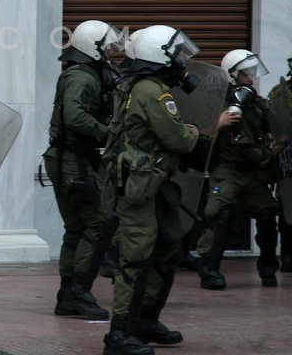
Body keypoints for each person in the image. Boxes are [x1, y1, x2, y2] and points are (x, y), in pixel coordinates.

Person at [102, 25, 223, 355]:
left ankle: (145, 320)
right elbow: (179, 139)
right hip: (140, 186)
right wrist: (192, 131)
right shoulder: (151, 91)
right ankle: (118, 334)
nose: (180, 61)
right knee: (136, 256)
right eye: (175, 54)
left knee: (169, 245)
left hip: (153, 184)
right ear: (158, 56)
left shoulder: (140, 86)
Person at [44, 20, 125, 320]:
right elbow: (75, 116)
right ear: (94, 47)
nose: (110, 52)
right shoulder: (81, 76)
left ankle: (68, 294)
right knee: (100, 222)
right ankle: (78, 292)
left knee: (77, 227)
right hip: (71, 160)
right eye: (106, 46)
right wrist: (108, 133)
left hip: (72, 158)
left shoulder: (85, 73)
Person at [197, 49, 280, 289]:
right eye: (246, 73)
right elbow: (195, 132)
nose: (251, 78)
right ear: (233, 75)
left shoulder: (254, 103)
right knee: (220, 214)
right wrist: (219, 123)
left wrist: (273, 135)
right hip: (227, 170)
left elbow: (270, 124)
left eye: (252, 73)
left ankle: (267, 268)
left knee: (266, 213)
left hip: (252, 171)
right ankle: (209, 268)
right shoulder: (217, 102)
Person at [266, 57, 292, 273]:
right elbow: (271, 123)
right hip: (287, 159)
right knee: (286, 207)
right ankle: (287, 255)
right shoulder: (279, 93)